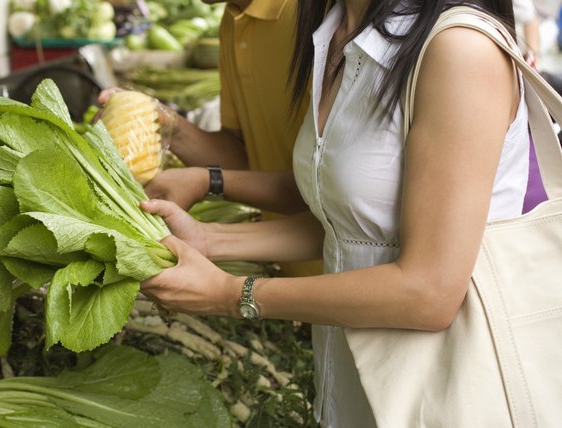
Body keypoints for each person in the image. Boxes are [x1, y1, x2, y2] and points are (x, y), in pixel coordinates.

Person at [140, 1, 528, 426]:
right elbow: (350, 221)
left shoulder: (460, 49)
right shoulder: (335, 33)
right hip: (350, 384)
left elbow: (429, 292)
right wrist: (208, 240)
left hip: (448, 399)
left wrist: (234, 294)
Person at [100, 0, 322, 275]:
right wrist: (169, 126)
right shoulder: (234, 18)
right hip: (288, 273)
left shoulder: (320, 15)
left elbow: (327, 190)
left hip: (340, 283)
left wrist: (208, 182)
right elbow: (242, 156)